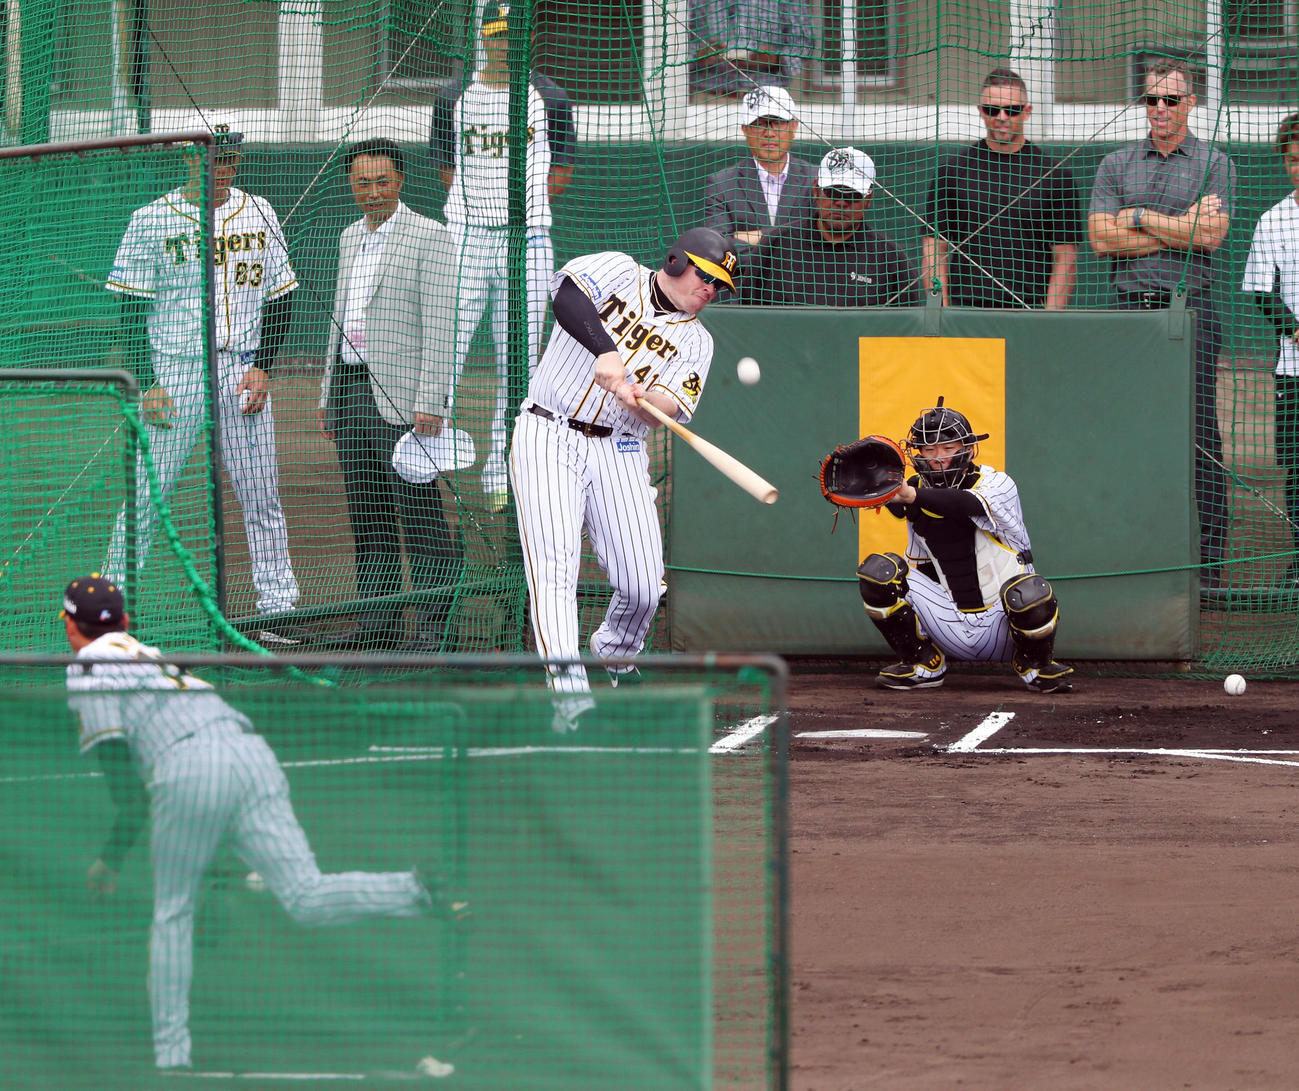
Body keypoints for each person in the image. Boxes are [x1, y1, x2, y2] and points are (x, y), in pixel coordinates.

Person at [60, 574, 462, 1072]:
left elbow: (126, 789)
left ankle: (171, 1060)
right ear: (123, 620)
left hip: (187, 769)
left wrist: (110, 859)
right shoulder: (148, 651)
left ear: (73, 629)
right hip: (250, 752)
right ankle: (420, 890)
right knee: (306, 895)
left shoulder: (86, 666)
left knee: (172, 915)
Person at [509, 227, 737, 731]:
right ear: (677, 261)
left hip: (621, 446)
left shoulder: (697, 342)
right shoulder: (617, 269)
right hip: (549, 431)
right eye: (707, 277)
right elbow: (565, 297)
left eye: (720, 286)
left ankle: (615, 652)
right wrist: (605, 352)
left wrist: (648, 399)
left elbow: (667, 410)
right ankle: (571, 703)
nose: (711, 291)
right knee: (554, 572)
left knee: (642, 585)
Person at [104, 124, 304, 643]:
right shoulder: (150, 219)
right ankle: (108, 606)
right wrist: (147, 381)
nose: (221, 170)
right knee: (147, 492)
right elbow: (130, 307)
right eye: (212, 160)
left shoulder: (259, 210)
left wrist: (264, 364)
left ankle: (277, 607)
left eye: (230, 162)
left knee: (260, 493)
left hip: (242, 367)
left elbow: (282, 296)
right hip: (176, 370)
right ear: (188, 161)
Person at [1087, 60, 1235, 586]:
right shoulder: (1116, 162)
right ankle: (1127, 551)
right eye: (1151, 100)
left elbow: (1212, 238)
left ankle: (1211, 562)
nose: (1160, 110)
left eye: (1171, 100)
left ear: (1191, 103)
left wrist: (1140, 217)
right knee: (1126, 430)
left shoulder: (1215, 162)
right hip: (1129, 311)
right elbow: (1101, 239)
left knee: (1198, 434)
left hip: (1191, 307)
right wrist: (1181, 226)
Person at [319, 139, 465, 650]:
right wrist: (326, 396)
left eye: (382, 181)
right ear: (351, 186)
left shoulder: (432, 237)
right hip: (351, 392)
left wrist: (432, 400)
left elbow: (441, 325)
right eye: (362, 183)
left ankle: (434, 621)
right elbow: (339, 321)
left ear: (400, 181)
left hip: (406, 401)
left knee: (419, 511)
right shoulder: (347, 238)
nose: (372, 192)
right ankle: (379, 619)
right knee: (367, 510)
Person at [429, 1, 574, 512]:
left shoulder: (549, 97)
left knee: (517, 358)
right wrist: (480, 212)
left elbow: (563, 168)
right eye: (494, 35)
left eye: (510, 36)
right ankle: (432, 454)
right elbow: (446, 167)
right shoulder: (452, 96)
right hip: (467, 235)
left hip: (528, 238)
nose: (502, 44)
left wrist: (526, 212)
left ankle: (500, 470)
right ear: (481, 37)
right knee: (445, 347)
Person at [855, 400, 1073, 693]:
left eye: (948, 448)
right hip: (950, 620)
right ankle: (923, 663)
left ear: (968, 449)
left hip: (1004, 624)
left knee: (1030, 591)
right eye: (929, 450)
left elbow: (964, 504)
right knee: (878, 572)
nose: (938, 458)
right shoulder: (916, 493)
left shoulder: (997, 483)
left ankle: (1035, 665)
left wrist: (908, 496)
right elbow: (925, 568)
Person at [924, 68, 1083, 309]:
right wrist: (942, 314)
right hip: (965, 312)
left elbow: (1066, 259)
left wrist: (1050, 323)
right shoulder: (952, 172)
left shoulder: (1055, 175)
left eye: (1012, 110)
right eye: (992, 109)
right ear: (980, 111)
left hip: (1028, 312)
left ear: (1027, 112)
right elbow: (934, 250)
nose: (1001, 117)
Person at [744, 147, 922, 307]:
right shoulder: (776, 246)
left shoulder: (890, 259)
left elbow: (907, 329)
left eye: (853, 195)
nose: (841, 203)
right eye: (833, 192)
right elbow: (747, 315)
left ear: (868, 199)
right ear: (816, 190)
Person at [1243, 112, 1299, 586]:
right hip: (1293, 370)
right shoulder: (1274, 219)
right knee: (1297, 469)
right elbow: (1262, 291)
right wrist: (1294, 328)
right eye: (1294, 160)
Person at [704, 85, 817, 259]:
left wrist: (761, 236)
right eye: (759, 124)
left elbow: (823, 239)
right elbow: (718, 249)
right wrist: (788, 243)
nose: (769, 133)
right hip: (747, 284)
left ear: (793, 127)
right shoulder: (721, 183)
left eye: (777, 123)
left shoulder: (817, 179)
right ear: (745, 130)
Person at [689, 0, 815, 97]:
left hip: (768, 96)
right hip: (706, 96)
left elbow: (804, 41)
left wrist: (777, 59)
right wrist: (699, 54)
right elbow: (674, 40)